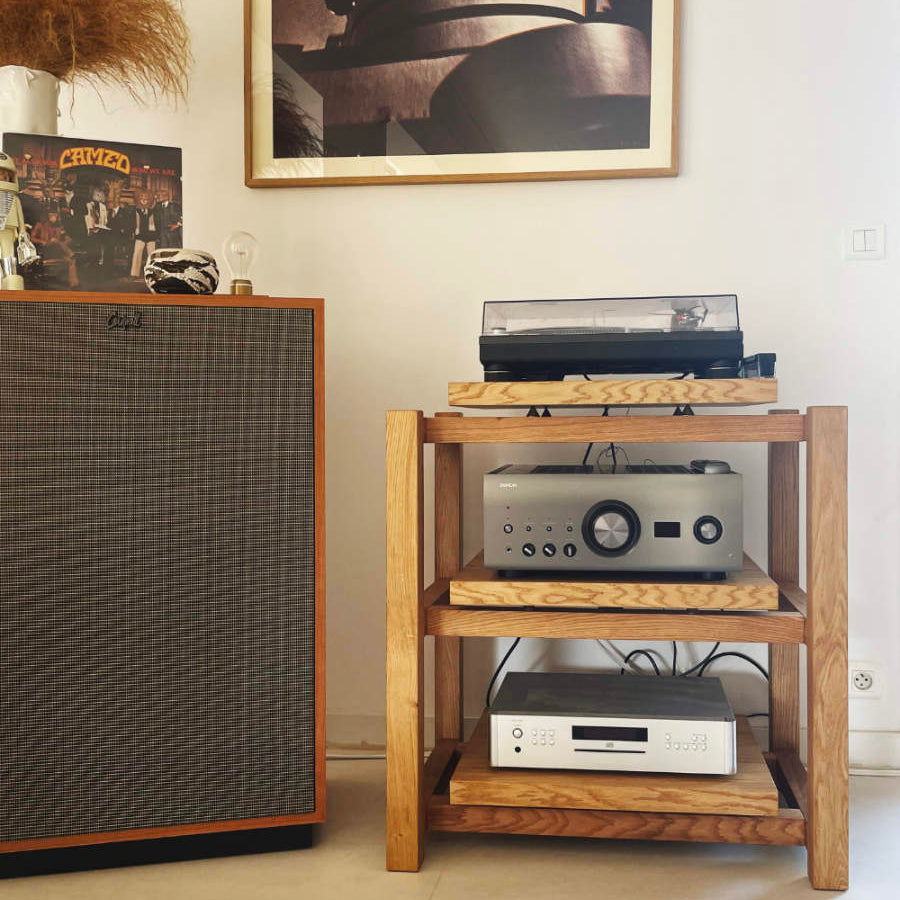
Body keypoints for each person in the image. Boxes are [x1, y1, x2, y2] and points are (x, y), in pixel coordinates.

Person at [31, 211, 79, 288]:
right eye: (51, 215)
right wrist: (42, 241)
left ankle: (74, 283)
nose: (54, 217)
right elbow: (32, 238)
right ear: (48, 216)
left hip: (56, 250)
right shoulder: (40, 225)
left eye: (55, 215)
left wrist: (67, 239)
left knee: (71, 261)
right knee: (55, 241)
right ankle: (70, 252)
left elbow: (64, 237)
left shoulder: (58, 227)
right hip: (45, 250)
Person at [130, 191, 159, 278]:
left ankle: (152, 273)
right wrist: (134, 231)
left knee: (152, 255)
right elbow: (132, 223)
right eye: (142, 199)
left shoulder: (152, 211)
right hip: (140, 235)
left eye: (146, 200)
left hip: (151, 235)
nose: (144, 201)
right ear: (139, 200)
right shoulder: (136, 210)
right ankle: (134, 274)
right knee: (137, 253)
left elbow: (156, 222)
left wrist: (155, 199)